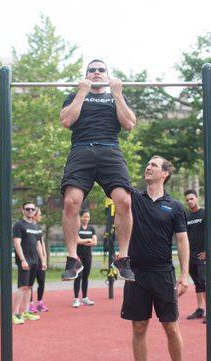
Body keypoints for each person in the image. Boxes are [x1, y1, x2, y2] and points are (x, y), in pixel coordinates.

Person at [59, 59, 136, 282]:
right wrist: (81, 93)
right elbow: (66, 120)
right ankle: (73, 259)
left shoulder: (115, 95)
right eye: (91, 70)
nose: (96, 72)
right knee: (71, 201)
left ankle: (123, 258)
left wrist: (118, 94)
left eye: (101, 70)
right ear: (86, 75)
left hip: (110, 149)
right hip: (81, 149)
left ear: (107, 75)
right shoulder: (76, 96)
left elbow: (129, 124)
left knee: (125, 201)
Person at [121, 156, 191, 361]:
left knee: (171, 326)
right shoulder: (134, 198)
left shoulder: (175, 206)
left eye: (154, 165)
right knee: (139, 326)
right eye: (147, 164)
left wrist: (184, 274)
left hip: (163, 274)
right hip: (136, 274)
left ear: (165, 174)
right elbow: (115, 181)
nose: (148, 167)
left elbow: (182, 240)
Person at [184, 189, 211, 324]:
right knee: (198, 283)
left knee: (204, 284)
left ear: (197, 198)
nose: (189, 201)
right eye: (187, 200)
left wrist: (208, 251)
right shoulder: (186, 217)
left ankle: (210, 312)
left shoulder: (206, 213)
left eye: (191, 199)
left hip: (202, 256)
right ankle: (200, 309)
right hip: (191, 256)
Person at [11, 202, 46, 325]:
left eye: (32, 209)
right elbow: (17, 244)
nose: (30, 211)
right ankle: (15, 314)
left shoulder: (36, 226)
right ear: (23, 211)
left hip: (35, 261)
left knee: (30, 287)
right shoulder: (18, 225)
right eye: (28, 209)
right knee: (22, 287)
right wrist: (22, 260)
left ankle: (26, 311)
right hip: (25, 261)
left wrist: (42, 260)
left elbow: (38, 244)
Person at [72, 209, 98, 308]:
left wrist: (84, 241)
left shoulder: (92, 228)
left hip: (88, 256)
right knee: (78, 276)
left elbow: (95, 243)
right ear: (80, 217)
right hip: (78, 255)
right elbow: (77, 241)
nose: (86, 218)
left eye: (88, 217)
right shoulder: (77, 227)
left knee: (85, 276)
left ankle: (85, 297)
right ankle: (76, 299)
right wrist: (88, 239)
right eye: (84, 216)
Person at [28, 207, 49, 313]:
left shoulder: (39, 228)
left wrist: (44, 258)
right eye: (39, 214)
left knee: (41, 281)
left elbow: (41, 243)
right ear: (35, 215)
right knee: (30, 283)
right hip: (32, 258)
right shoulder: (29, 227)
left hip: (40, 259)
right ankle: (30, 304)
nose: (41, 216)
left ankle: (40, 302)